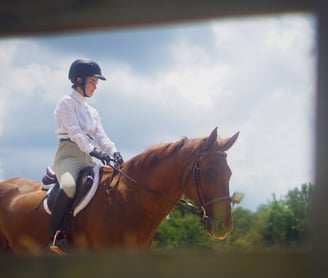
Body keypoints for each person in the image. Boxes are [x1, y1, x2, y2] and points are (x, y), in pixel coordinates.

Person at [48, 58, 124, 254]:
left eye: (96, 84)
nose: (95, 87)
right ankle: (55, 236)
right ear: (79, 80)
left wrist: (113, 151)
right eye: (92, 82)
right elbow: (75, 132)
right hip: (68, 156)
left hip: (88, 158)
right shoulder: (66, 103)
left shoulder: (92, 111)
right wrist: (94, 151)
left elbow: (101, 136)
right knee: (69, 186)